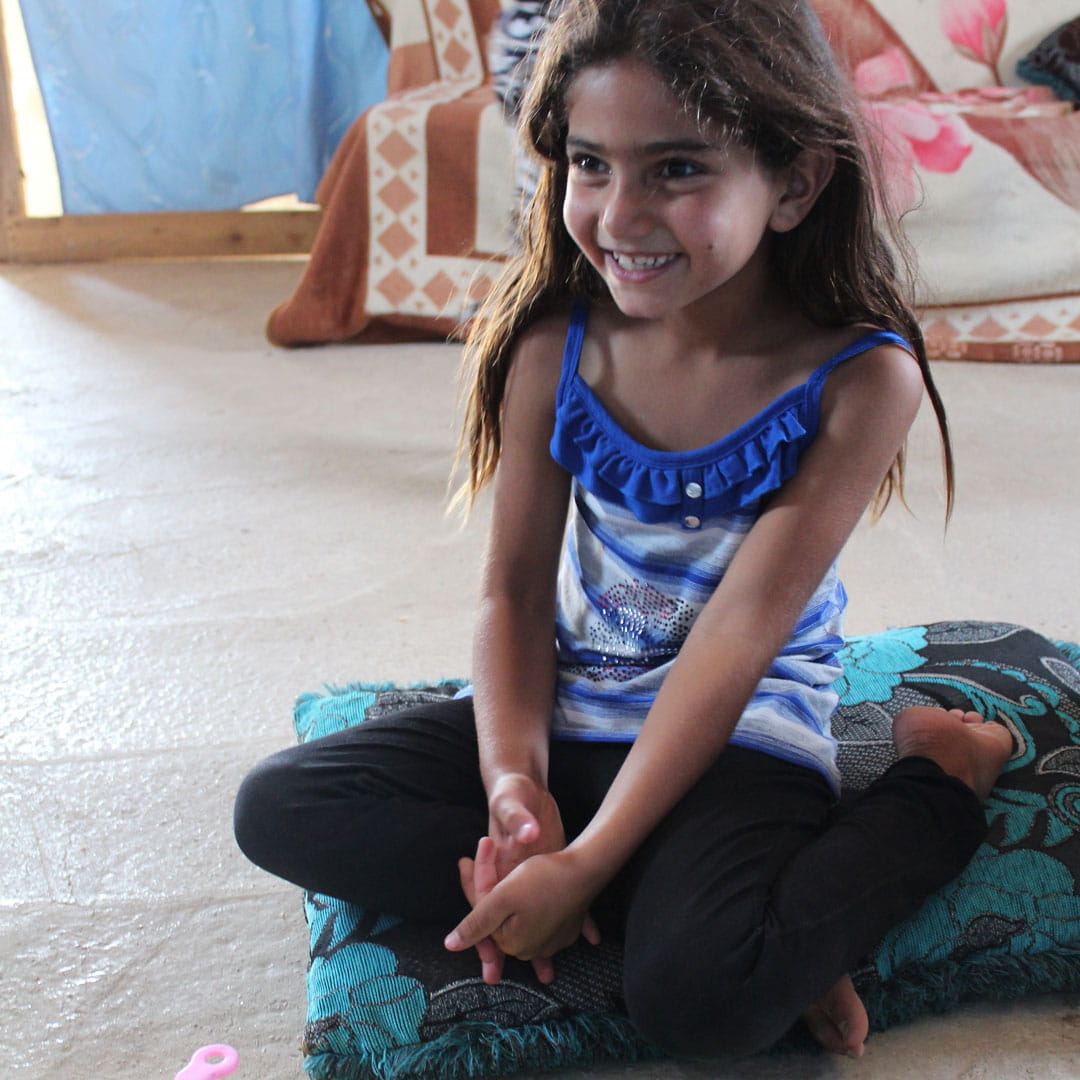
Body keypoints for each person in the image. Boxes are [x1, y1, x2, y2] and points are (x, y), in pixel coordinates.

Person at [235, 0, 1013, 1059]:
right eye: (590, 164)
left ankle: (945, 773)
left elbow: (738, 639)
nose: (618, 214)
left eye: (679, 169)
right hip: (573, 707)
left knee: (702, 1003)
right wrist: (516, 797)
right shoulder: (554, 346)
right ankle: (749, 922)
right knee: (283, 805)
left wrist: (591, 866)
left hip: (734, 733)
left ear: (795, 182)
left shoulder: (861, 379)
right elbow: (511, 591)